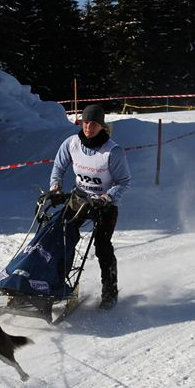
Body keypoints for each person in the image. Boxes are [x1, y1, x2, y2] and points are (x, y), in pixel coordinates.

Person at [48, 104, 131, 309]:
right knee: (61, 237)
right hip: (79, 199)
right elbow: (58, 167)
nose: (88, 127)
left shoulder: (113, 151)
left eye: (93, 123)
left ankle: (109, 293)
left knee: (102, 247)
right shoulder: (71, 143)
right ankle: (57, 285)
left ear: (101, 126)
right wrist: (55, 186)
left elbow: (124, 181)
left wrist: (107, 197)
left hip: (105, 205)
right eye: (85, 122)